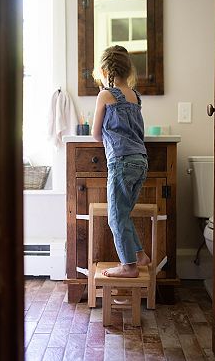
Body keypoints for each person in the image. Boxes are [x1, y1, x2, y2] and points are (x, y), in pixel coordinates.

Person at [91, 45, 150, 278]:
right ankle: (139, 254)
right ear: (128, 71)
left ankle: (128, 267)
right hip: (141, 162)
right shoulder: (136, 97)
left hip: (121, 162)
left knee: (115, 217)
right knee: (123, 214)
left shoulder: (105, 95)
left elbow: (96, 133)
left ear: (105, 71)